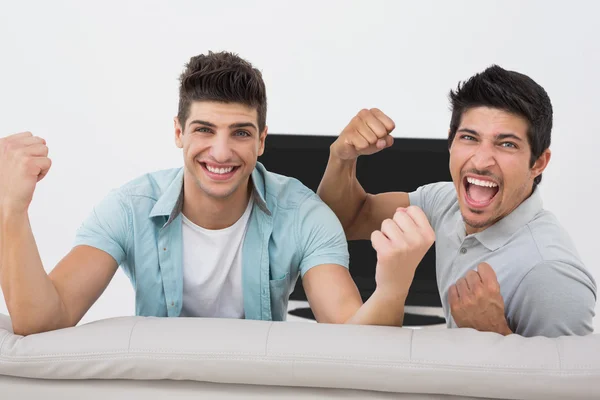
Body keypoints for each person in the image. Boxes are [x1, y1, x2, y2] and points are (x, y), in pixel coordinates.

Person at [0, 51, 435, 336]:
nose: (221, 152)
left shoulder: (305, 214)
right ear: (178, 132)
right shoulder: (127, 209)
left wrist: (392, 286)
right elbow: (43, 320)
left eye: (240, 133)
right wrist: (12, 209)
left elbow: (352, 338)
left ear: (262, 140)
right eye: (204, 130)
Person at [317, 65, 597, 338]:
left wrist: (496, 336)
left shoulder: (551, 274)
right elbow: (349, 219)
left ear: (538, 162)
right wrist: (342, 158)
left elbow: (571, 384)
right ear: (451, 143)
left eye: (507, 144)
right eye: (469, 138)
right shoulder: (446, 201)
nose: (481, 160)